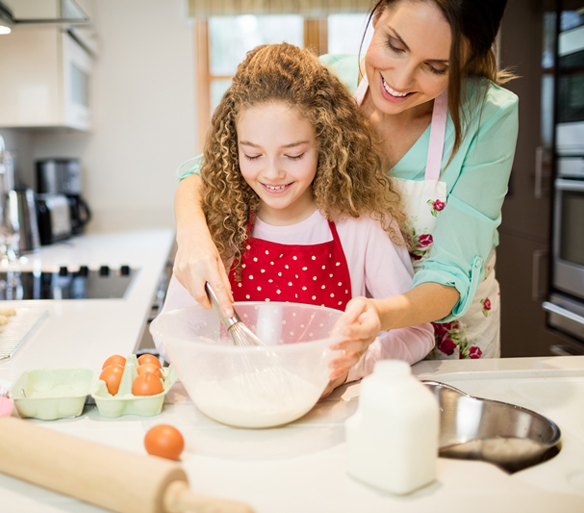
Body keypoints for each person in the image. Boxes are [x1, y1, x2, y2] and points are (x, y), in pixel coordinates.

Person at [172, 0, 518, 362]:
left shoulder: (489, 115)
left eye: (435, 67)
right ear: (379, 13)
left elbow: (451, 270)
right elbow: (210, 167)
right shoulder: (327, 83)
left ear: (466, 62)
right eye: (394, 46)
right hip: (356, 347)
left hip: (445, 338)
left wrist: (380, 316)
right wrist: (194, 236)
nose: (399, 81)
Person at [157, 43, 434, 391]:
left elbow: (417, 333)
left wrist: (349, 366)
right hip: (233, 408)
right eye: (253, 154)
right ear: (234, 148)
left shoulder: (361, 224)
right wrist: (214, 363)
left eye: (294, 154)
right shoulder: (217, 225)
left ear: (325, 143)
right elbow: (170, 331)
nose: (272, 173)